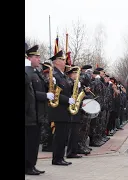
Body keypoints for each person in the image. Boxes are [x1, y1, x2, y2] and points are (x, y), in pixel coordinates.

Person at [48, 50, 75, 166]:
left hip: (65, 110)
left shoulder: (62, 75)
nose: (65, 62)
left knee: (63, 135)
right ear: (57, 62)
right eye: (63, 60)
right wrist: (67, 100)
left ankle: (60, 157)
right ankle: (56, 159)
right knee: (59, 136)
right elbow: (54, 92)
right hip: (58, 109)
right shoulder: (54, 75)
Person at [25, 43, 44, 175]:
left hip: (37, 113)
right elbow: (31, 94)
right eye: (37, 57)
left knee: (35, 142)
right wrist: (45, 95)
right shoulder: (28, 72)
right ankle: (28, 166)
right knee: (30, 142)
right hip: (31, 112)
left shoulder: (36, 73)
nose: (39, 60)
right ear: (30, 58)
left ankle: (32, 164)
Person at [65, 66, 83, 158]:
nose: (77, 75)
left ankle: (74, 151)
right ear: (71, 74)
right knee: (72, 133)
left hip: (76, 109)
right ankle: (70, 152)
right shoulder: (69, 81)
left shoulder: (75, 82)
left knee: (75, 133)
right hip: (71, 110)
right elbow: (69, 92)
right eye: (75, 73)